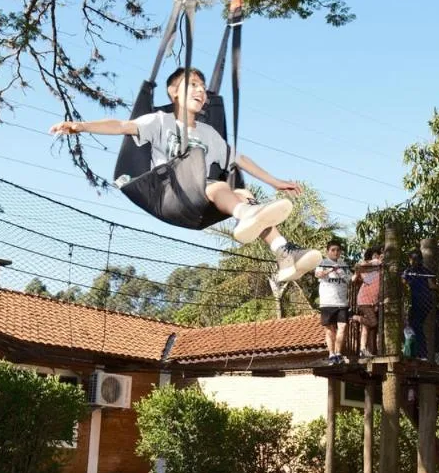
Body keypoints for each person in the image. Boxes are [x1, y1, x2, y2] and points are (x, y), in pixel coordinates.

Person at [50, 66, 321, 283]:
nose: (201, 90)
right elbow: (121, 125)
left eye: (203, 87)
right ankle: (246, 214)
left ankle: (283, 253)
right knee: (211, 179)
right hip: (168, 195)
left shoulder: (208, 134)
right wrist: (81, 126)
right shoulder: (159, 121)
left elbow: (239, 159)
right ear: (173, 92)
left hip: (198, 201)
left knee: (242, 193)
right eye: (193, 85)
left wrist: (275, 182)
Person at [315, 238, 351, 364]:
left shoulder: (344, 264)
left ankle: (338, 353)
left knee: (343, 326)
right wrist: (330, 269)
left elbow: (350, 280)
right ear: (328, 251)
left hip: (342, 302)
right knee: (330, 329)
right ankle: (331, 354)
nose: (336, 252)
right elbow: (318, 275)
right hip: (327, 302)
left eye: (338, 250)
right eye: (333, 250)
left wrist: (341, 272)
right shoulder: (323, 262)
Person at [401, 247, 435, 359]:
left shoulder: (408, 271)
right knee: (415, 326)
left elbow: (403, 283)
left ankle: (420, 354)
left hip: (418, 301)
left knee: (415, 326)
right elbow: (432, 285)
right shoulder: (425, 270)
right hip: (426, 301)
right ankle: (419, 353)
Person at [352, 246, 382, 358]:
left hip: (373, 301)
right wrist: (377, 261)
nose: (376, 257)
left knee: (368, 327)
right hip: (364, 299)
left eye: (377, 255)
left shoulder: (379, 269)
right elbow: (356, 275)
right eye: (374, 255)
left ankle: (365, 350)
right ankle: (355, 317)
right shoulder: (365, 267)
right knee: (373, 323)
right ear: (370, 257)